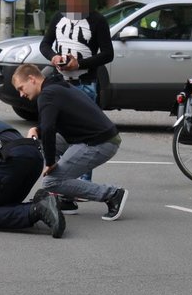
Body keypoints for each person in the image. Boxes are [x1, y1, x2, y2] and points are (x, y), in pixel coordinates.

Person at [12, 64, 128, 221]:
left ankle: (112, 194)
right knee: (40, 141)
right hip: (93, 137)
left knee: (51, 182)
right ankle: (67, 199)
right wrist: (37, 130)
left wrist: (50, 162)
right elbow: (48, 125)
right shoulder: (56, 86)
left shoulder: (48, 94)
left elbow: (49, 129)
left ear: (31, 79)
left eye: (21, 88)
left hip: (100, 143)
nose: (21, 94)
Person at [39, 0, 113, 105]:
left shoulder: (98, 20)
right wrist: (54, 57)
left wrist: (78, 64)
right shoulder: (58, 16)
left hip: (85, 84)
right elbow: (44, 44)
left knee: (83, 123)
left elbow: (108, 54)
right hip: (59, 82)